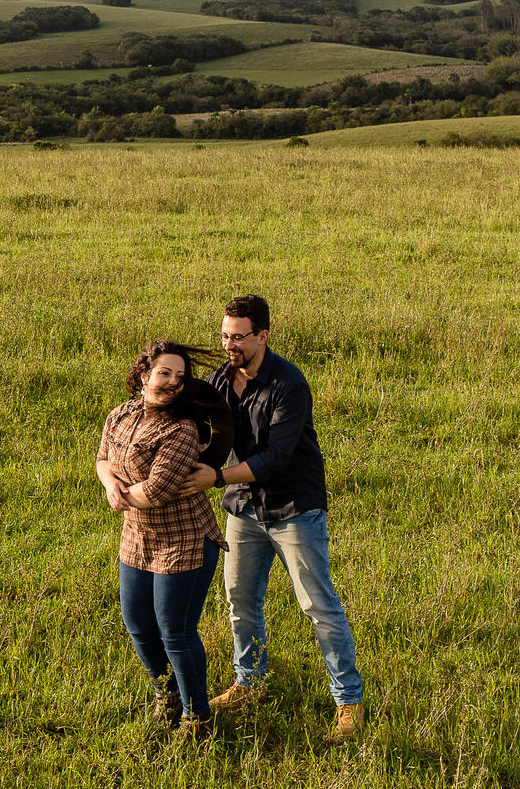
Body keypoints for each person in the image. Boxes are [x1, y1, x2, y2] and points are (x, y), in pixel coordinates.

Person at [180, 295, 365, 741]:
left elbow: (276, 458)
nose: (230, 346)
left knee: (318, 606)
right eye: (225, 336)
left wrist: (217, 476)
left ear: (262, 336)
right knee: (240, 600)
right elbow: (198, 430)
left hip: (294, 508)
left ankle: (349, 702)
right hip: (243, 507)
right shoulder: (219, 381)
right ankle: (250, 682)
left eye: (238, 337)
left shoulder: (289, 383)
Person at [96, 340, 232, 740]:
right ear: (144, 375)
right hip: (136, 537)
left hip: (185, 539)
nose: (173, 382)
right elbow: (103, 458)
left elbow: (158, 490)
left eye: (180, 376)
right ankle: (166, 695)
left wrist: (120, 497)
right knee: (138, 625)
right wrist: (109, 484)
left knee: (176, 633)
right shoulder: (120, 415)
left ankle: (197, 717)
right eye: (164, 373)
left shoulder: (182, 428)